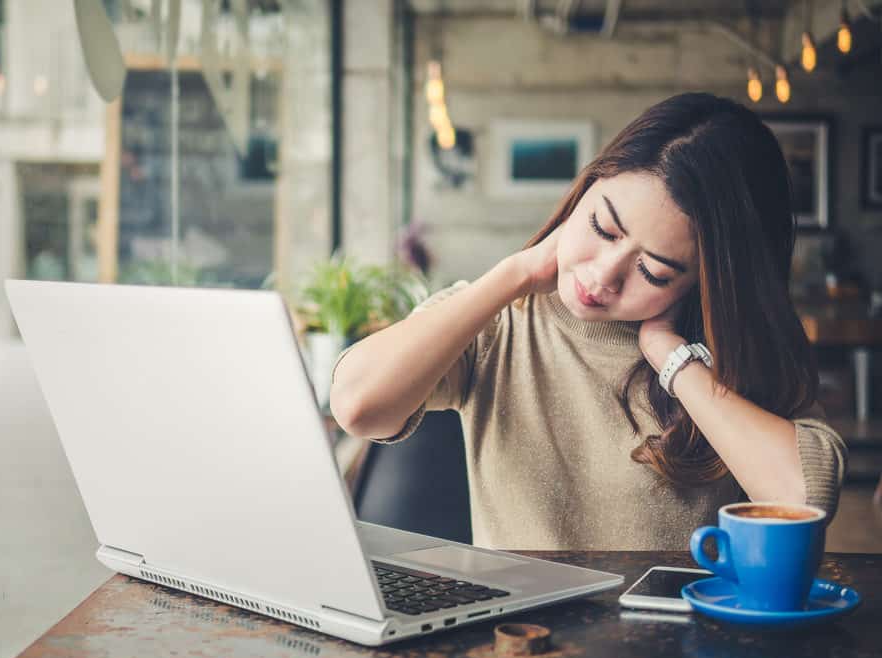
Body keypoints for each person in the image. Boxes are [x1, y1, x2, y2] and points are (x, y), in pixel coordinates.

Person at [330, 92, 847, 551]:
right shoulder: (501, 320)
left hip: (672, 651)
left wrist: (672, 359)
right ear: (586, 187)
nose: (603, 276)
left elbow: (804, 500)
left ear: (706, 283)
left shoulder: (727, 354)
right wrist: (513, 272)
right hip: (522, 645)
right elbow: (358, 406)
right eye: (602, 227)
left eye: (654, 271)